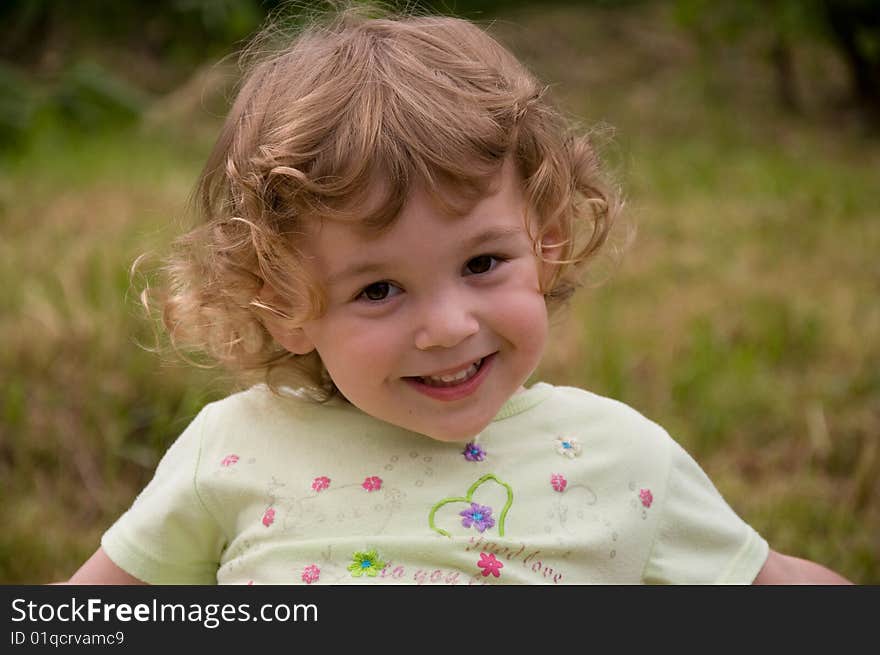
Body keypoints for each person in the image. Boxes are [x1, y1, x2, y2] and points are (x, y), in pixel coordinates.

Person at [67, 4, 850, 585]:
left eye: (481, 264)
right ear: (286, 303)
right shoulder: (234, 448)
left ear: (543, 240)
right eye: (378, 287)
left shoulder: (622, 456)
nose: (446, 326)